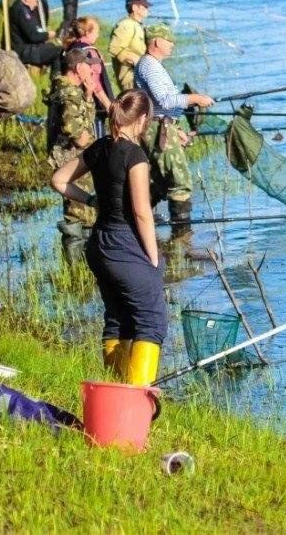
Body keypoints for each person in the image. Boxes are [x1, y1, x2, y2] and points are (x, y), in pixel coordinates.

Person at [51, 92, 166, 385]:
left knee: (117, 318)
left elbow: (59, 180)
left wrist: (91, 200)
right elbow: (142, 212)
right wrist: (153, 257)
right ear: (141, 120)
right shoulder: (135, 156)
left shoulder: (100, 147)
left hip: (99, 244)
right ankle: (135, 399)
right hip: (123, 244)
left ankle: (114, 388)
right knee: (150, 322)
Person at [133, 22, 215, 237]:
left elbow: (165, 104)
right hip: (157, 129)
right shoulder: (149, 65)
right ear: (157, 41)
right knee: (179, 182)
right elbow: (166, 100)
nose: (172, 46)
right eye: (170, 41)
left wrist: (176, 128)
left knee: (162, 182)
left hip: (163, 127)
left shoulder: (153, 65)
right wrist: (195, 98)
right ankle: (183, 239)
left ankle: (131, 219)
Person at [46, 47, 108, 266]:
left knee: (82, 211)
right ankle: (76, 266)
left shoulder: (68, 88)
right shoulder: (69, 93)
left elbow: (82, 121)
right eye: (89, 66)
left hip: (71, 157)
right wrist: (96, 147)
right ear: (78, 67)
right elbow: (76, 133)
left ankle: (82, 263)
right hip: (70, 159)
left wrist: (90, 97)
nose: (93, 71)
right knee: (77, 213)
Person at [64, 16, 115, 136]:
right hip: (94, 105)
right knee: (96, 139)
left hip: (76, 101)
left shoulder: (72, 47)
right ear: (87, 32)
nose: (98, 35)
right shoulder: (90, 52)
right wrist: (108, 105)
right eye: (96, 32)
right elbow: (95, 83)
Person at [8, 0, 62, 72]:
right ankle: (57, 79)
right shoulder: (22, 11)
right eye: (35, 0)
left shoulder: (20, 7)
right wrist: (50, 34)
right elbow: (34, 36)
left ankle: (47, 75)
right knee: (59, 51)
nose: (36, 4)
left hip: (24, 47)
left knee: (51, 46)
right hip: (24, 51)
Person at [108, 0, 151, 92]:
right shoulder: (126, 25)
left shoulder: (136, 25)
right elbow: (114, 49)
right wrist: (138, 62)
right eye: (144, 6)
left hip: (139, 78)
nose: (147, 9)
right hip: (131, 79)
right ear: (135, 8)